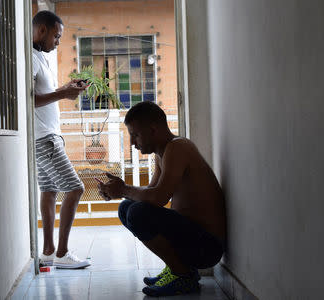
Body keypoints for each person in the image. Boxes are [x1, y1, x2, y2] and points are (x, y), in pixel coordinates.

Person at [97, 101, 226, 296]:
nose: (132, 142)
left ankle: (183, 275)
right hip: (192, 238)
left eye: (135, 135)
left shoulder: (178, 147)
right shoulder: (162, 154)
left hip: (207, 246)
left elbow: (158, 198)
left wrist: (123, 189)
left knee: (137, 212)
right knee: (127, 208)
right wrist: (117, 191)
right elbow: (148, 195)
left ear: (153, 129)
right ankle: (177, 268)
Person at [33, 10, 90, 269]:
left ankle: (48, 251)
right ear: (42, 30)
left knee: (49, 191)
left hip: (47, 136)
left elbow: (45, 94)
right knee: (75, 188)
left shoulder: (42, 58)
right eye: (56, 36)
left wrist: (66, 89)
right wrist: (63, 95)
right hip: (45, 140)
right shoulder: (31, 59)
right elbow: (30, 100)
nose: (58, 42)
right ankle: (63, 253)